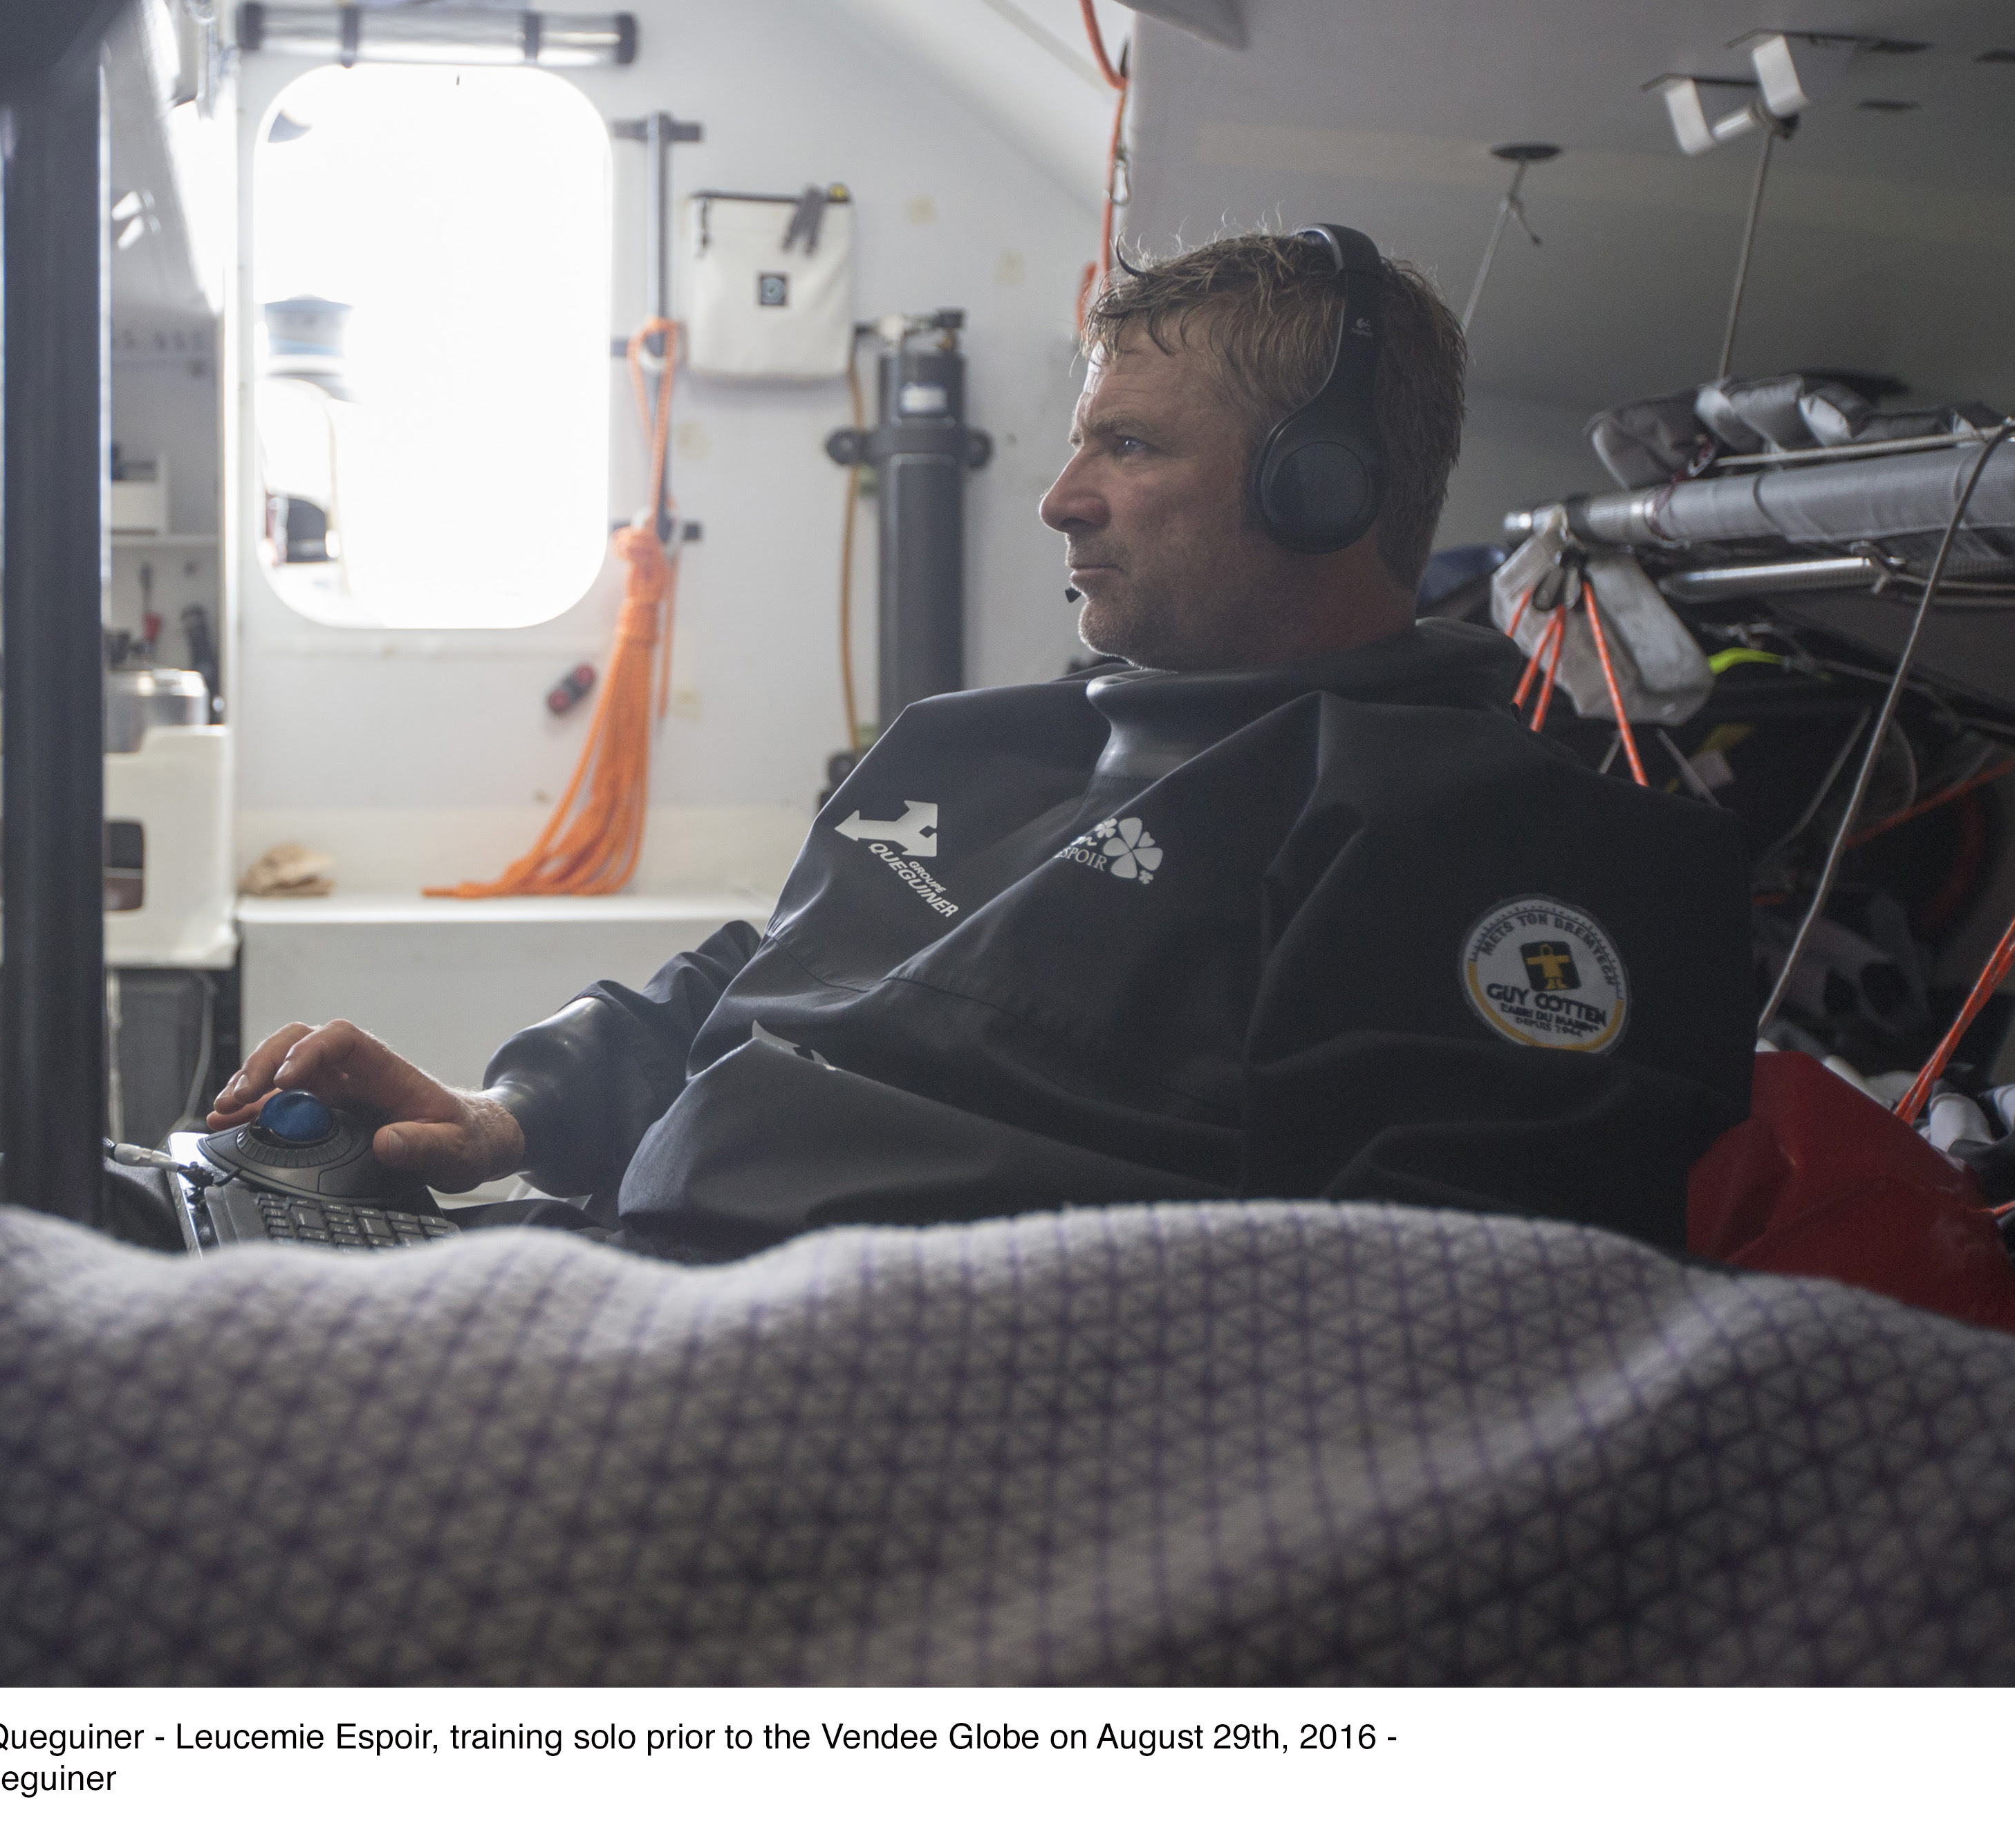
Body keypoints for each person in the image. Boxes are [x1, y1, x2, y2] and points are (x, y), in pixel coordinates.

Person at [212, 230, 1754, 1258]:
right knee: (14, 1205)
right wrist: (501, 1119)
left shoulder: (1469, 831)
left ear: (1323, 492)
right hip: (624, 1274)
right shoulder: (974, 746)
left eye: (1130, 445)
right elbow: (770, 984)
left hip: (857, 1391)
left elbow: (1437, 1312)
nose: (1058, 496)